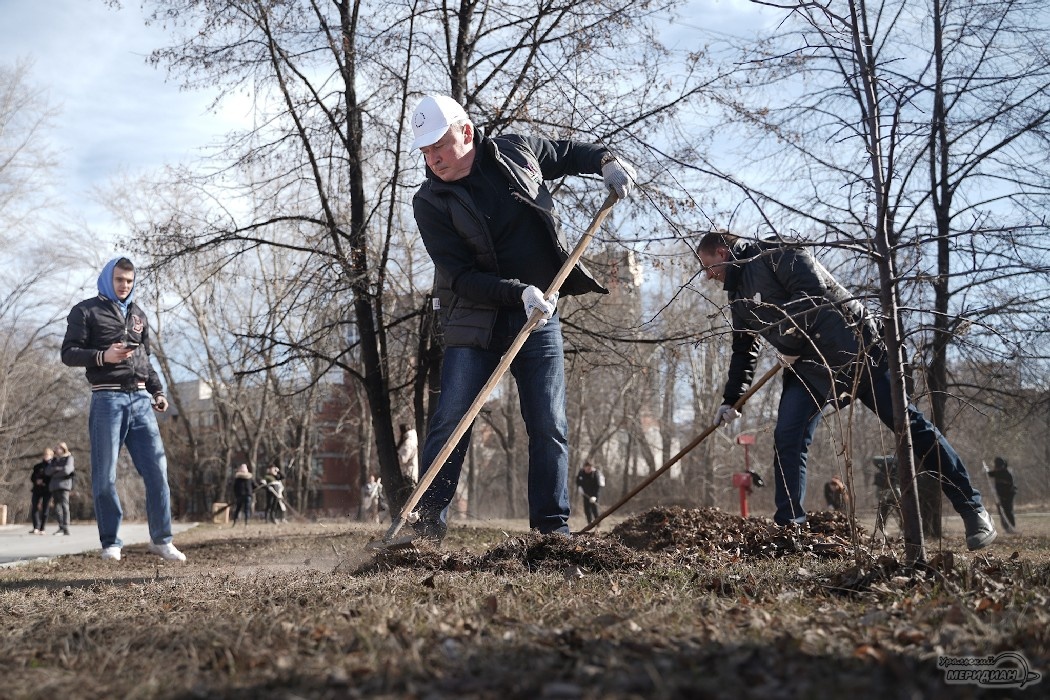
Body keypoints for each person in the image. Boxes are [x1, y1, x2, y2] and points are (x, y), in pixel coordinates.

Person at [407, 94, 636, 545]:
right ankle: (425, 525)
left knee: (549, 423)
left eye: (440, 145)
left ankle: (551, 532)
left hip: (540, 317)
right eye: (425, 151)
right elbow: (461, 277)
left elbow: (570, 153)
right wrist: (518, 293)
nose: (433, 159)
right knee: (451, 419)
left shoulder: (516, 151)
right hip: (476, 320)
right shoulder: (430, 202)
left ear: (467, 132)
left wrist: (607, 161)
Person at [697, 232, 997, 550]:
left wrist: (792, 338)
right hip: (809, 370)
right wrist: (732, 399)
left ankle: (973, 509)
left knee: (908, 427)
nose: (708, 275)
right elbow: (744, 349)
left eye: (708, 265)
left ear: (722, 251)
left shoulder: (773, 252)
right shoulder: (737, 298)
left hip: (856, 350)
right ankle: (790, 532)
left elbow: (812, 291)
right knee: (788, 437)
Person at [60, 257, 187, 562]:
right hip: (107, 400)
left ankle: (161, 539)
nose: (124, 286)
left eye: (129, 281)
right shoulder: (85, 310)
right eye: (119, 280)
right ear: (108, 278)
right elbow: (68, 353)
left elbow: (146, 359)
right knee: (105, 477)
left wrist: (157, 391)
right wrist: (105, 356)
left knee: (158, 471)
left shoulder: (138, 314)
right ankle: (111, 544)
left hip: (142, 401)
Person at [45, 442, 75, 535]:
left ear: (63, 449)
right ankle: (61, 526)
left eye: (59, 448)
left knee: (64, 506)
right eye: (56, 448)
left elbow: (67, 470)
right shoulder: (53, 460)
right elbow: (47, 471)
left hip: (64, 486)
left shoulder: (69, 458)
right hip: (54, 486)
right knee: (56, 507)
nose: (57, 450)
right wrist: (57, 469)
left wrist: (55, 472)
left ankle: (66, 527)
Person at [872, 455, 902, 539]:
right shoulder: (896, 463)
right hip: (890, 492)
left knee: (885, 513)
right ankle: (883, 531)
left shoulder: (885, 465)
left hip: (888, 492)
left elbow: (874, 460)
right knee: (897, 511)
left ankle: (901, 529)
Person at [986, 456, 1018, 530]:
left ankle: (1012, 526)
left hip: (1009, 494)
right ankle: (1006, 527)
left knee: (1008, 510)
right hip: (1000, 495)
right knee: (1001, 510)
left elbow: (1010, 486)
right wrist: (986, 470)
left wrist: (1005, 496)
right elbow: (990, 474)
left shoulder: (1008, 473)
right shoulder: (997, 472)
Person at [28, 447, 54, 535]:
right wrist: (36, 481)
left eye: (48, 455)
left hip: (47, 490)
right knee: (34, 507)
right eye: (45, 454)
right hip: (37, 489)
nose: (46, 456)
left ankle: (42, 528)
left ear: (51, 456)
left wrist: (44, 482)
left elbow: (52, 478)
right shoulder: (37, 466)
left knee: (45, 509)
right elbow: (32, 477)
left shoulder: (52, 467)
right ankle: (36, 527)